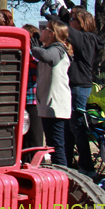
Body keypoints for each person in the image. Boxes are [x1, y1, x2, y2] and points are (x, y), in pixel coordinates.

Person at [48, 0, 105, 178]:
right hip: (72, 86)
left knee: (77, 125)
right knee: (68, 126)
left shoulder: (87, 39)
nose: (69, 22)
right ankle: (68, 164)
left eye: (73, 20)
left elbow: (64, 24)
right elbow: (64, 16)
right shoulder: (81, 37)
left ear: (81, 23)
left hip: (79, 87)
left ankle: (87, 167)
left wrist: (55, 18)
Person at [31, 19, 73, 166]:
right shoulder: (50, 48)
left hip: (56, 106)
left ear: (52, 34)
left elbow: (49, 58)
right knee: (53, 146)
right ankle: (59, 176)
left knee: (57, 147)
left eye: (44, 29)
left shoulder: (58, 49)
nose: (41, 31)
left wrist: (34, 48)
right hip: (49, 106)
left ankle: (62, 178)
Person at [21, 23, 44, 160]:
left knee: (35, 137)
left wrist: (33, 48)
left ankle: (35, 162)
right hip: (22, 99)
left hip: (33, 99)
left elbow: (37, 62)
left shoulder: (36, 53)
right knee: (23, 138)